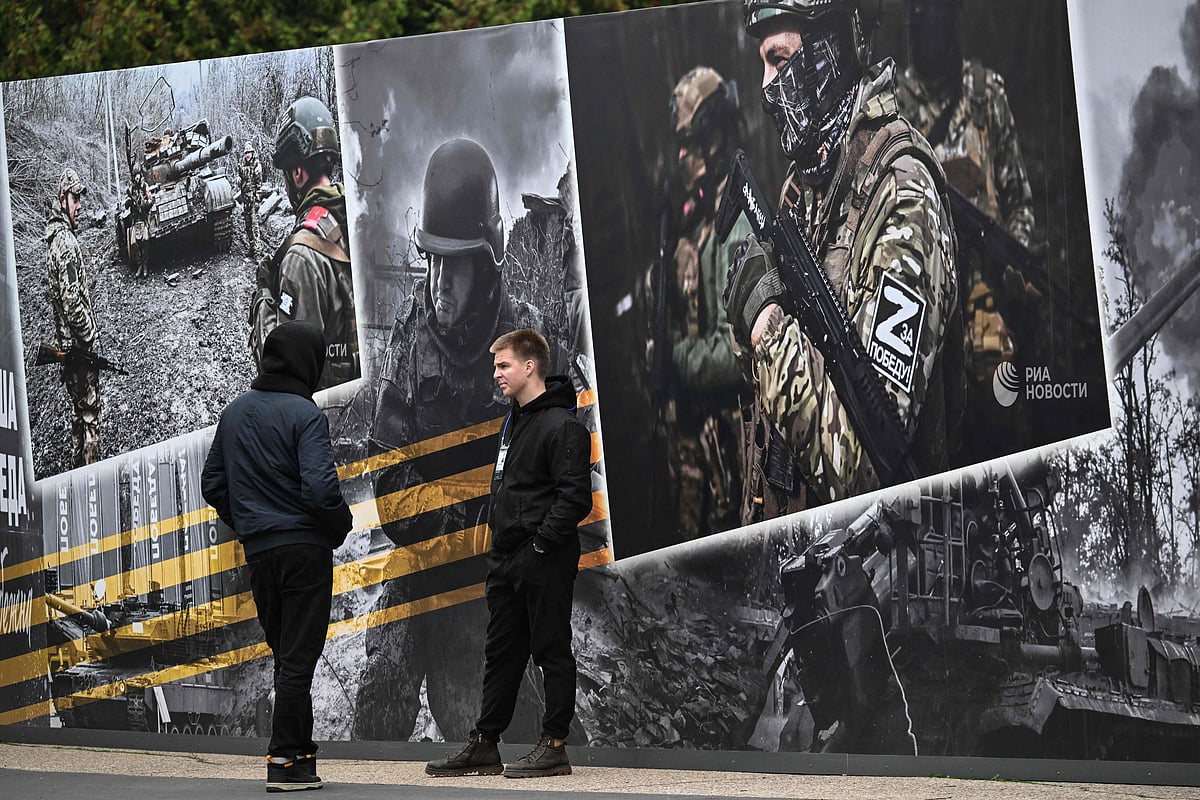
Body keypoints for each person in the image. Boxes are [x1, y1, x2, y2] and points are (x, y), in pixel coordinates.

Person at [726, 0, 960, 520]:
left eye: (781, 61)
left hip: (880, 579)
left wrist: (765, 326)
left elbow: (871, 473)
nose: (766, 87)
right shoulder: (807, 186)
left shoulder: (902, 197)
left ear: (835, 45)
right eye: (763, 63)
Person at [354, 138, 543, 742]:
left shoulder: (531, 351)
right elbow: (388, 481)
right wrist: (459, 524)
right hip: (421, 559)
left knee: (511, 720)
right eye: (429, 260)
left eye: (452, 263)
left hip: (493, 574)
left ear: (487, 262)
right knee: (377, 697)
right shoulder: (410, 341)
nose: (436, 281)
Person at [425, 328, 591, 779]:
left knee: (551, 650)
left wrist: (538, 546)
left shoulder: (564, 426)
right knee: (500, 654)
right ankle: (485, 743)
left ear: (530, 366)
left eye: (503, 366)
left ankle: (554, 746)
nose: (495, 374)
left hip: (544, 559)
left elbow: (575, 498)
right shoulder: (513, 420)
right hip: (506, 561)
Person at [201, 320, 352, 793]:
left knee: (289, 659)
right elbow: (322, 489)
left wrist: (247, 521)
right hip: (305, 553)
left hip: (261, 555)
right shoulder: (304, 413)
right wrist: (339, 526)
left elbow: (212, 485)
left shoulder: (234, 413)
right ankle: (282, 760)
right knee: (299, 660)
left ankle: (302, 761)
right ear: (308, 363)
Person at [895, 0, 1040, 455]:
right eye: (919, 15)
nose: (928, 25)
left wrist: (1014, 258)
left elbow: (1019, 199)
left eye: (935, 13)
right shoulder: (892, 104)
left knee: (1006, 443)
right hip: (929, 317)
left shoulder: (985, 94)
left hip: (989, 304)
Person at [653, 66, 752, 538]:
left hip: (734, 450)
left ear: (714, 140)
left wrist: (673, 356)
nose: (682, 156)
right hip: (700, 452)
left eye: (690, 143)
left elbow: (737, 353)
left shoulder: (738, 223)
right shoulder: (700, 224)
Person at [249, 96, 359, 391]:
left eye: (287, 174)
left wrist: (262, 298)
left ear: (297, 173)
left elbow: (284, 376)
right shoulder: (359, 217)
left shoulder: (301, 257)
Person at [46, 167, 101, 468]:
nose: (79, 205)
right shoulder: (66, 243)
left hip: (68, 349)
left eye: (80, 198)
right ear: (62, 199)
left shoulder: (55, 239)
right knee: (90, 416)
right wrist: (90, 334)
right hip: (79, 351)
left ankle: (76, 473)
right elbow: (71, 304)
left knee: (78, 414)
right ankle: (92, 481)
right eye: (75, 198)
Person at [239, 140, 264, 259]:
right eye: (246, 153)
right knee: (247, 225)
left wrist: (258, 198)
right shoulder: (241, 165)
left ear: (252, 153)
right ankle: (252, 247)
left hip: (253, 198)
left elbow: (259, 183)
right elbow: (239, 179)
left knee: (254, 225)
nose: (247, 155)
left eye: (249, 153)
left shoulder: (256, 165)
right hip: (245, 199)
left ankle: (258, 251)